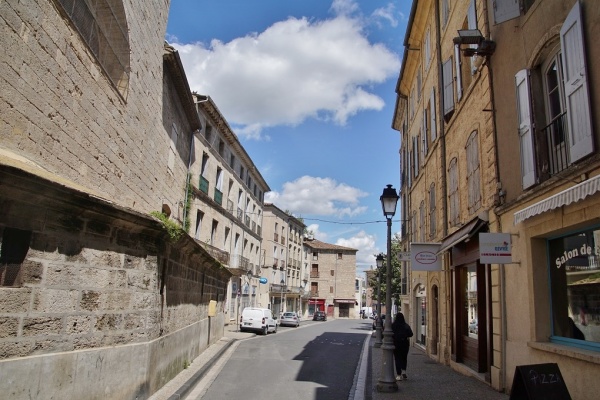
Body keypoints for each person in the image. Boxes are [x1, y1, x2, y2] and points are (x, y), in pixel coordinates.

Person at [392, 312, 413, 381]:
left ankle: (398, 375)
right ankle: (404, 371)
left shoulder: (393, 325)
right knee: (404, 358)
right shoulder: (405, 325)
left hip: (396, 344)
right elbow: (411, 334)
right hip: (404, 343)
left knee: (397, 358)